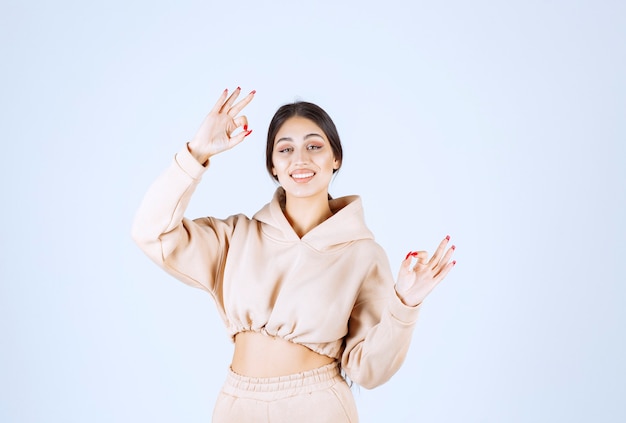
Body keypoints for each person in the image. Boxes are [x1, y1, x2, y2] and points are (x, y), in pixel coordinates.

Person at [131, 87, 456, 422]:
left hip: (318, 407)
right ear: (273, 165)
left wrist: (405, 303)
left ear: (336, 159)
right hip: (237, 405)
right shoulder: (235, 238)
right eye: (285, 149)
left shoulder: (362, 253)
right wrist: (196, 152)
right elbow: (151, 232)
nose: (300, 159)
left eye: (314, 146)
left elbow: (369, 371)